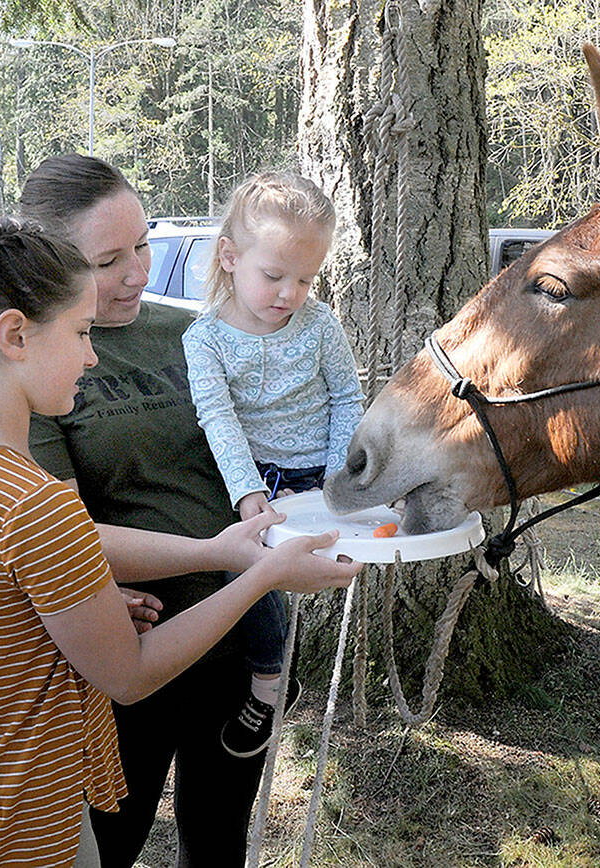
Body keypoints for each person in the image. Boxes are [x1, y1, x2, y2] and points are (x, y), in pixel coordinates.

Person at [0, 217, 359, 868]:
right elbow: (129, 676)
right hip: (23, 834)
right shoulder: (32, 502)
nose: (92, 354)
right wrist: (263, 576)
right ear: (15, 334)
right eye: (80, 332)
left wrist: (215, 553)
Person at [18, 155, 348, 867]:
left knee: (219, 837)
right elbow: (52, 536)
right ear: (50, 263)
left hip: (238, 629)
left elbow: (285, 419)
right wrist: (103, 588)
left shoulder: (191, 330)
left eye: (143, 244)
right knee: (113, 841)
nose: (140, 271)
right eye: (110, 259)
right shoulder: (43, 361)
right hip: (130, 646)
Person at [181, 171, 365, 757]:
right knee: (249, 572)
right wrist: (246, 491)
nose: (290, 293)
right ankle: (268, 683)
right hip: (257, 476)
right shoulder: (204, 338)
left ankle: (292, 663)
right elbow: (219, 418)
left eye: (306, 279)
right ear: (231, 258)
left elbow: (346, 396)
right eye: (274, 275)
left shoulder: (320, 324)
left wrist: (338, 474)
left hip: (321, 473)